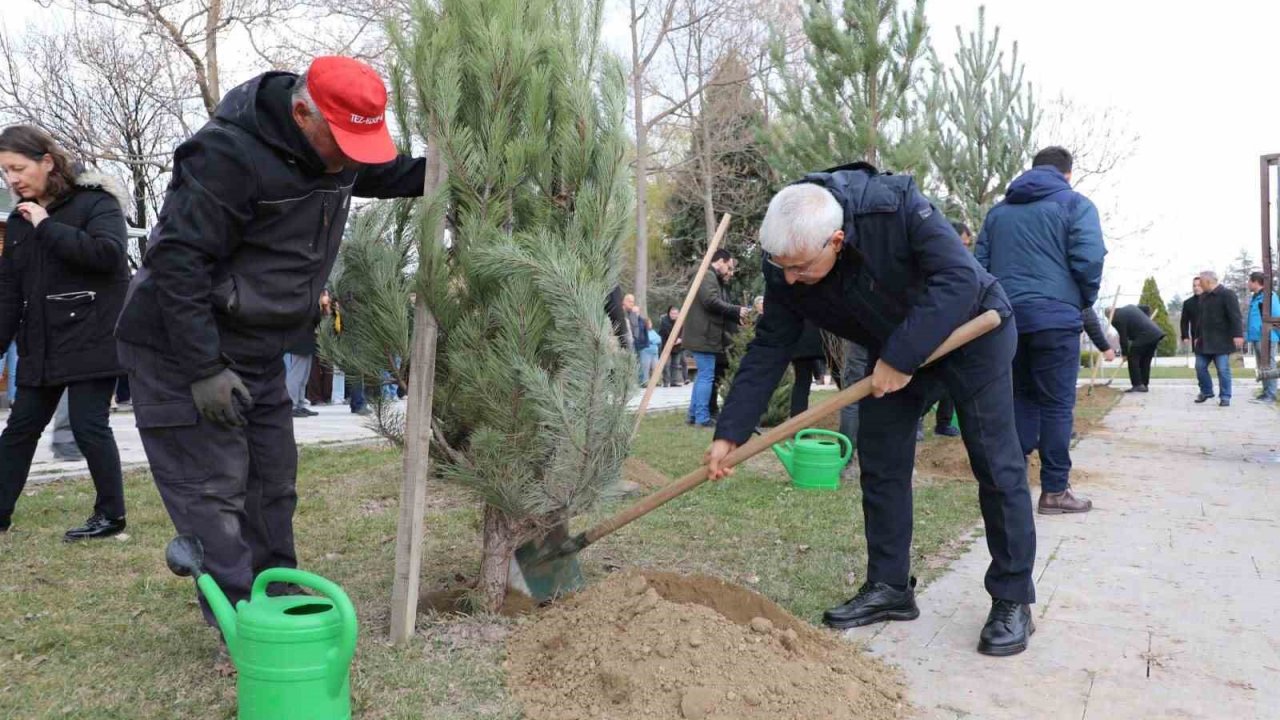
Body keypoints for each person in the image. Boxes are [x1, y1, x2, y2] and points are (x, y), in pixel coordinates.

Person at [114, 56, 428, 626]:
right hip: (179, 348)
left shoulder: (342, 151)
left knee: (271, 485)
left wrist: (463, 172)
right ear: (303, 112)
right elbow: (178, 263)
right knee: (215, 491)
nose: (351, 160)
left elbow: (393, 173)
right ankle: (242, 627)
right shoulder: (226, 156)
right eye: (343, 143)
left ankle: (278, 599)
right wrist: (203, 368)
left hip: (255, 348)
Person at [705, 165, 1037, 657]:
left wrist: (902, 357)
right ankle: (890, 589)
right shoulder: (786, 260)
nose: (790, 279)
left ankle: (1012, 599)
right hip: (890, 352)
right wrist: (730, 431)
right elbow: (770, 343)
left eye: (799, 268)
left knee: (995, 463)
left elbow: (958, 278)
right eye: (782, 268)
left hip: (972, 334)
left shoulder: (894, 205)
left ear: (836, 240)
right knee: (880, 466)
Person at [0, 124, 129, 539]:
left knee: (90, 425)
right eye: (4, 172)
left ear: (47, 162)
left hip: (92, 335)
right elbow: (8, 292)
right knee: (20, 428)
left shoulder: (96, 203)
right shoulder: (18, 221)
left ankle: (111, 516)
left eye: (18, 168)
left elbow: (108, 257)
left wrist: (46, 224)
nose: (12, 179)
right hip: (41, 342)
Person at [976, 146, 1106, 515]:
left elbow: (978, 267)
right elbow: (1090, 258)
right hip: (1055, 318)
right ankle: (1054, 491)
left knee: (1019, 398)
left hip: (1005, 320)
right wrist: (1081, 299)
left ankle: (1009, 489)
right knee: (1056, 404)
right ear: (1067, 174)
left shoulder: (998, 213)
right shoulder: (1075, 205)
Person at [682, 249, 747, 427]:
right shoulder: (707, 275)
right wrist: (736, 310)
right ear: (720, 261)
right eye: (729, 266)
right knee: (706, 376)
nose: (729, 271)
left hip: (703, 334)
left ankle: (693, 415)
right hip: (704, 334)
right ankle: (702, 418)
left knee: (703, 375)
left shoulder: (707, 275)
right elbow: (710, 301)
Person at [1188, 270, 1244, 406]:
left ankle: (1225, 396)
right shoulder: (1203, 297)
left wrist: (1238, 335)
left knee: (1222, 369)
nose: (1199, 285)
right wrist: (1196, 336)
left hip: (1221, 340)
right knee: (1200, 367)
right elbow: (1200, 320)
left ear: (1208, 281)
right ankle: (1206, 391)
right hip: (1203, 340)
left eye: (1200, 282)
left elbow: (1235, 316)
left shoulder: (1227, 295)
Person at [1107, 304, 1164, 394]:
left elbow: (1123, 337)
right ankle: (1144, 385)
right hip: (1155, 334)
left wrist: (1125, 354)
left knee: (1132, 357)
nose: (1109, 321)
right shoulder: (1129, 307)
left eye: (1108, 318)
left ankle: (1137, 384)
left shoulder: (1116, 318)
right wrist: (1146, 319)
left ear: (1109, 315)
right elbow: (1146, 308)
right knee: (1145, 360)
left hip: (1145, 335)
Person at [1245, 271, 1278, 403]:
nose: (1248, 284)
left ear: (1255, 282)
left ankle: (1271, 394)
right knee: (1262, 366)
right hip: (1257, 336)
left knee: (1269, 365)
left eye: (1249, 281)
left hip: (1267, 336)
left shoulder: (1268, 296)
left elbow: (1275, 315)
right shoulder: (1257, 297)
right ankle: (1265, 393)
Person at [789, 319, 825, 416]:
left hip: (801, 337)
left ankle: (797, 424)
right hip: (825, 336)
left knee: (801, 384)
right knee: (845, 382)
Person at [657, 306, 686, 387]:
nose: (674, 315)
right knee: (666, 364)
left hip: (677, 346)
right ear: (669, 313)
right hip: (667, 345)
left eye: (675, 313)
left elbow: (683, 331)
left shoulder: (681, 321)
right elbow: (665, 332)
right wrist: (674, 340)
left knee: (676, 364)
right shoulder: (664, 321)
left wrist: (680, 339)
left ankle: (674, 381)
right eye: (672, 313)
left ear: (678, 314)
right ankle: (666, 382)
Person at [637, 317, 660, 385]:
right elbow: (645, 340)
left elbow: (659, 339)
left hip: (654, 353)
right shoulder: (642, 331)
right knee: (645, 368)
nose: (650, 324)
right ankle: (644, 382)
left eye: (650, 323)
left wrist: (651, 341)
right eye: (649, 323)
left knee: (655, 367)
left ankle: (656, 382)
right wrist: (652, 341)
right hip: (645, 352)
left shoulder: (653, 331)